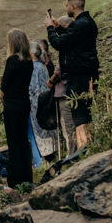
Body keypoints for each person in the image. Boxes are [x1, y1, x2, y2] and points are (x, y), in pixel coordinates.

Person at [45, 0, 99, 152]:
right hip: (88, 76)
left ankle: (85, 151)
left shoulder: (79, 25)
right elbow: (73, 40)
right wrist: (58, 28)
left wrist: (49, 28)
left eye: (67, 5)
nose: (66, 8)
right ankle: (90, 148)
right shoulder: (87, 23)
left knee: (80, 118)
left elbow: (58, 44)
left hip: (78, 78)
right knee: (86, 115)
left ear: (73, 6)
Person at [0, 29, 34, 188]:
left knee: (13, 143)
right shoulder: (29, 61)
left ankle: (15, 180)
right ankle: (27, 177)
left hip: (12, 105)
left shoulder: (12, 60)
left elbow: (4, 86)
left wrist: (2, 98)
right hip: (24, 103)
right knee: (23, 141)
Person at [47, 16, 77, 157]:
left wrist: (51, 81)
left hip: (64, 92)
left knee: (69, 126)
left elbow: (59, 70)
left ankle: (72, 154)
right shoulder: (75, 43)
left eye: (59, 27)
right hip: (70, 90)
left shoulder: (67, 46)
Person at [29, 42, 56, 162]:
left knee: (40, 130)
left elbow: (32, 88)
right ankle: (53, 153)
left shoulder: (34, 67)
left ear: (32, 53)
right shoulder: (43, 65)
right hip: (46, 100)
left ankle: (45, 157)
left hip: (37, 103)